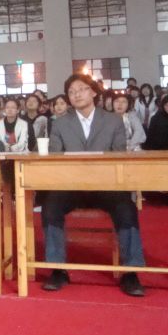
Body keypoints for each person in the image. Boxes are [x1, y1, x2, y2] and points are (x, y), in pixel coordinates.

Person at [42, 74, 145, 297]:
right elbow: (55, 157)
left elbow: (119, 156)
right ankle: (57, 269)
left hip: (105, 186)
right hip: (71, 186)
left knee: (127, 209)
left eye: (81, 89)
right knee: (50, 207)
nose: (76, 94)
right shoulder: (60, 123)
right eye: (71, 92)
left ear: (93, 92)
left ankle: (131, 272)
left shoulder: (113, 120)